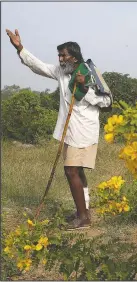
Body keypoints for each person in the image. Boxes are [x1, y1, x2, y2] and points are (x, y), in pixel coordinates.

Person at [6, 29, 111, 229]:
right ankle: (84, 210)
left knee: (70, 170)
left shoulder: (90, 73)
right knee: (76, 170)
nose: (60, 59)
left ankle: (83, 218)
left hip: (83, 132)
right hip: (68, 131)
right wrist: (20, 48)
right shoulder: (62, 72)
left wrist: (86, 89)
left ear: (75, 57)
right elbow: (40, 67)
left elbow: (107, 102)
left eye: (64, 56)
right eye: (59, 56)